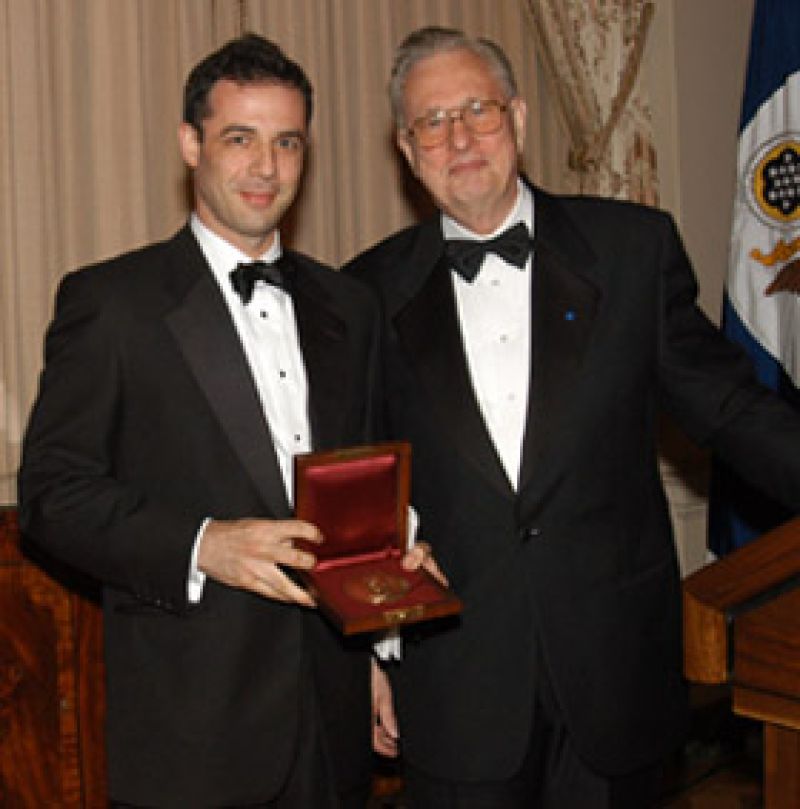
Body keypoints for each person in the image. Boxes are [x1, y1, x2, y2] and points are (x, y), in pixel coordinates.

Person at [345, 25, 800, 809]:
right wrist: (371, 657)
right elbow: (358, 497)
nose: (459, 138)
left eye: (478, 110)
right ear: (407, 148)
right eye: (433, 122)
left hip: (614, 676)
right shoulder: (363, 295)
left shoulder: (630, 249)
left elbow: (729, 408)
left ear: (517, 118)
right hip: (457, 692)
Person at [18, 34, 382, 808]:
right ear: (190, 143)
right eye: (239, 139)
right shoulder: (111, 303)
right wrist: (203, 543)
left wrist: (382, 648)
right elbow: (53, 492)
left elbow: (364, 499)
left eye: (287, 142)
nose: (265, 167)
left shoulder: (347, 306)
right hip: (195, 734)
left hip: (335, 722)